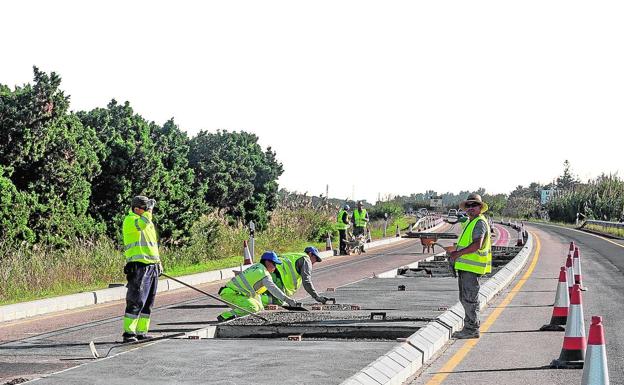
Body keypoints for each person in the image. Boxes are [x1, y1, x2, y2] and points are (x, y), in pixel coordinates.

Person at [448, 193, 492, 339]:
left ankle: (472, 328)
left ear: (480, 207)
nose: (471, 208)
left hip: (471, 269)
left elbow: (476, 245)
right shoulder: (471, 222)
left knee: (469, 299)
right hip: (466, 268)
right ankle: (469, 326)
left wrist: (457, 254)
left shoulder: (479, 222)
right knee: (466, 298)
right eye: (469, 205)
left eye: (474, 205)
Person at [122, 195, 162, 343]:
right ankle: (129, 333)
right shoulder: (131, 220)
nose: (148, 212)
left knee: (148, 302)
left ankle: (141, 331)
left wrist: (158, 262)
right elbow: (144, 223)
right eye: (145, 209)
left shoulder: (146, 222)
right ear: (136, 209)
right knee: (136, 300)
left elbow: (152, 245)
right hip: (139, 266)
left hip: (152, 266)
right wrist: (149, 210)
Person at [217, 251, 299, 322]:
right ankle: (225, 316)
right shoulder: (264, 274)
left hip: (236, 294)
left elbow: (255, 294)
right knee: (253, 308)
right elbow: (274, 290)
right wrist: (288, 300)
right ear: (267, 262)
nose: (275, 267)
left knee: (259, 308)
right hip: (231, 294)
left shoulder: (257, 267)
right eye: (274, 264)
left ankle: (237, 314)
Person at [261, 246, 330, 306]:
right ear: (310, 254)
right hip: (277, 276)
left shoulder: (296, 255)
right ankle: (258, 301)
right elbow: (306, 281)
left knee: (261, 292)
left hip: (268, 272)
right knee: (278, 301)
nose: (314, 262)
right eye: (315, 259)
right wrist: (316, 297)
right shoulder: (306, 259)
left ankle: (256, 299)